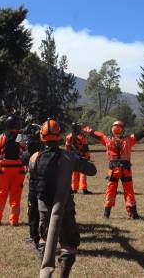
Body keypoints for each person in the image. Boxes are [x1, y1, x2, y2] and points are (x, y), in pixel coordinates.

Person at [29, 118, 97, 278]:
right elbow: (92, 170)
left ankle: (45, 271)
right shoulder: (68, 156)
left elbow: (33, 188)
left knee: (45, 238)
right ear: (59, 136)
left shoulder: (34, 158)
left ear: (42, 137)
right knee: (69, 242)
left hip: (43, 207)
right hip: (65, 207)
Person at [83, 118, 144, 219]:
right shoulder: (129, 139)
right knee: (129, 191)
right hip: (126, 170)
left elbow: (94, 133)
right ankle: (132, 213)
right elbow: (143, 132)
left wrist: (84, 128)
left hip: (113, 170)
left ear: (112, 129)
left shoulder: (107, 139)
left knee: (110, 190)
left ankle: (106, 214)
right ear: (122, 130)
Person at [0, 114, 26, 225]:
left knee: (0, 194)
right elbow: (24, 150)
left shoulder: (1, 137)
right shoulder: (20, 137)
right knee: (16, 195)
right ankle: (14, 220)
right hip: (18, 170)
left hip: (4, 170)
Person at [19, 123, 44, 248]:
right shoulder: (44, 151)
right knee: (41, 212)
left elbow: (22, 158)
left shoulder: (28, 154)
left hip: (35, 186)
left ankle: (35, 237)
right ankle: (38, 235)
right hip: (44, 186)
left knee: (33, 212)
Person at [65, 122, 92, 194]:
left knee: (74, 173)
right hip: (82, 156)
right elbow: (86, 148)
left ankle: (74, 189)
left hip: (72, 158)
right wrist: (87, 156)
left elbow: (67, 148)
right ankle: (84, 189)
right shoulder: (82, 137)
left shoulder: (68, 136)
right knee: (83, 173)